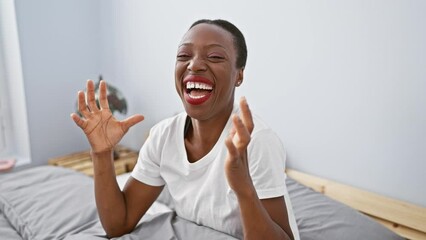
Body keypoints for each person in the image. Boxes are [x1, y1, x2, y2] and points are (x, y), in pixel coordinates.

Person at [71, 19, 299, 240]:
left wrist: (243, 188)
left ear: (238, 75)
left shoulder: (257, 141)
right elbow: (118, 224)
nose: (194, 64)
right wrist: (101, 153)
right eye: (184, 56)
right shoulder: (163, 136)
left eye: (215, 56)